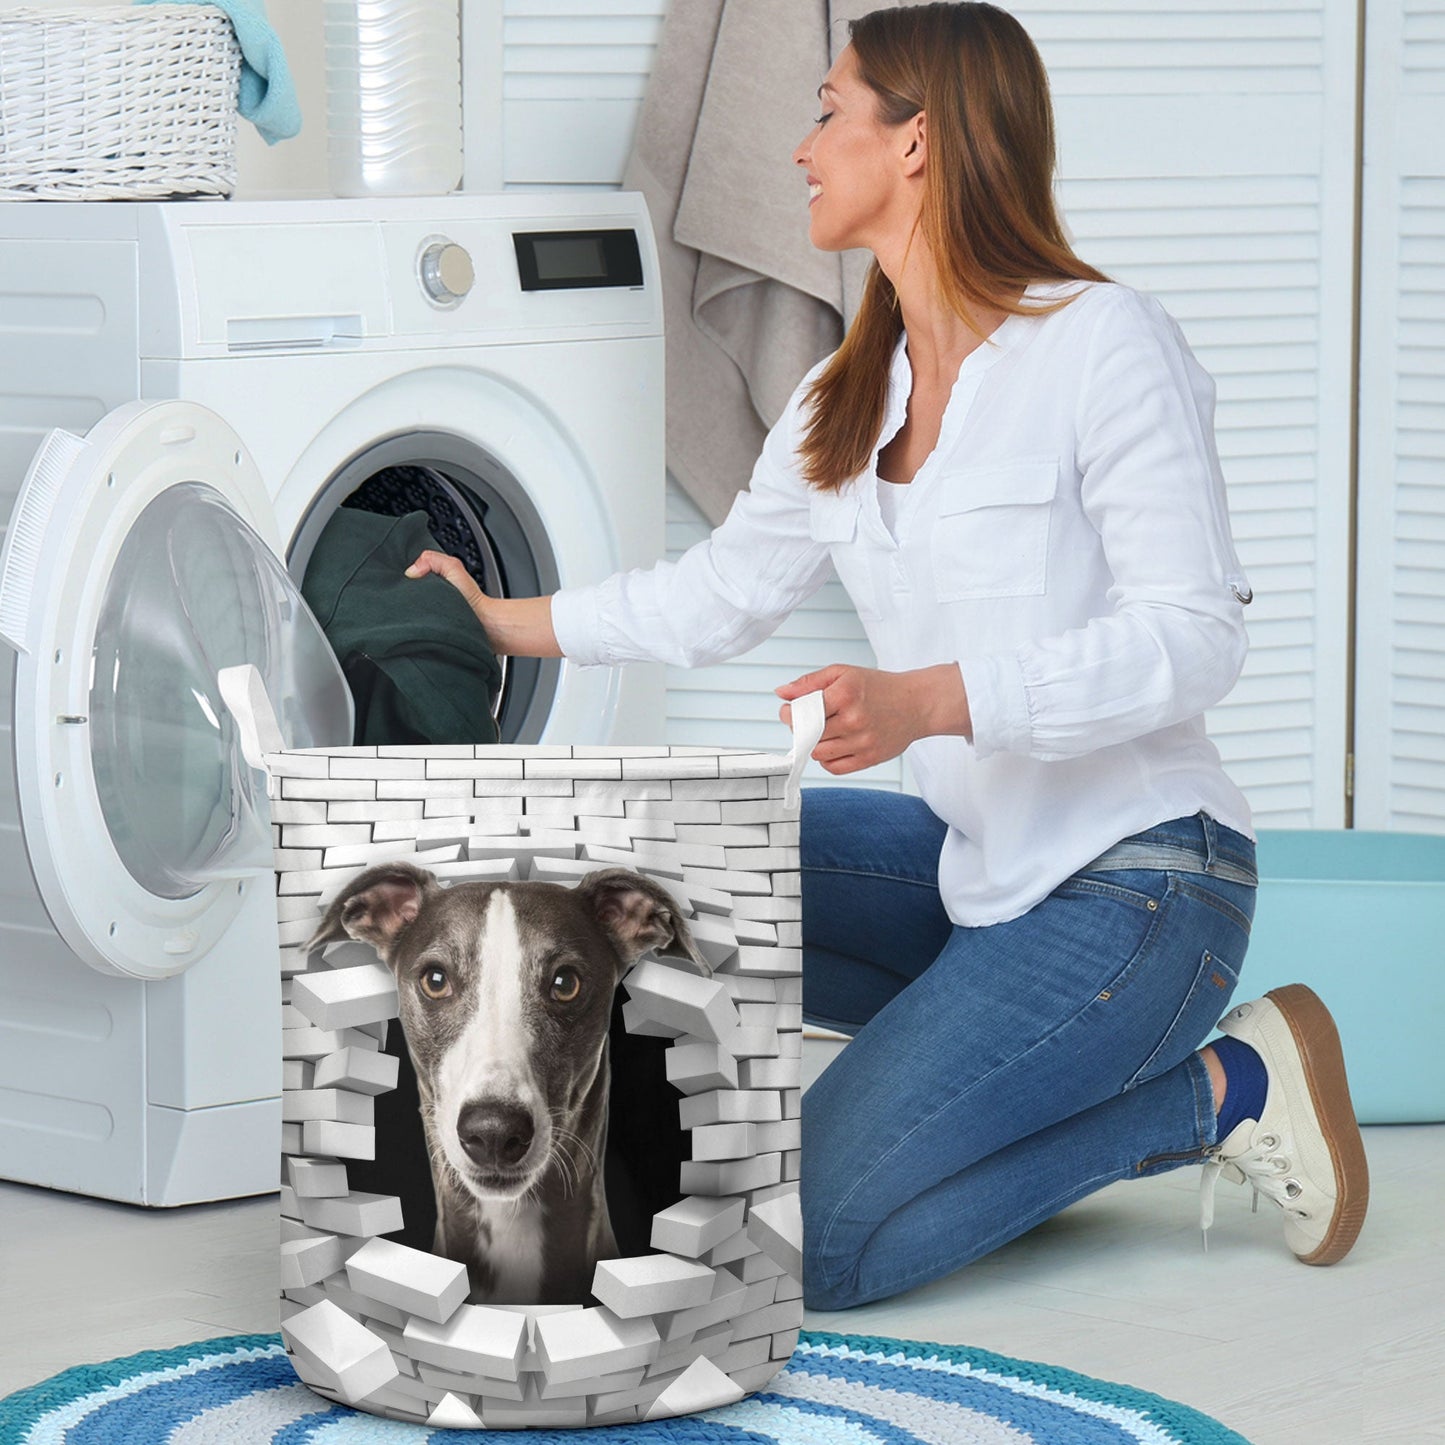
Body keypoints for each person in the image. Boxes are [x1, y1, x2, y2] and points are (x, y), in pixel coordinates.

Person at [406, 1, 1368, 1311]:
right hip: (979, 875)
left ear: (915, 141)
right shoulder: (842, 396)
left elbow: (1195, 640)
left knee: (823, 1242)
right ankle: (911, 1085)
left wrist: (933, 701)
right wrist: (506, 616)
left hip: (1143, 885)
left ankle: (1222, 1091)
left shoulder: (1100, 342)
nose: (799, 148)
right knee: (653, 877)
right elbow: (716, 596)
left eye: (827, 113)